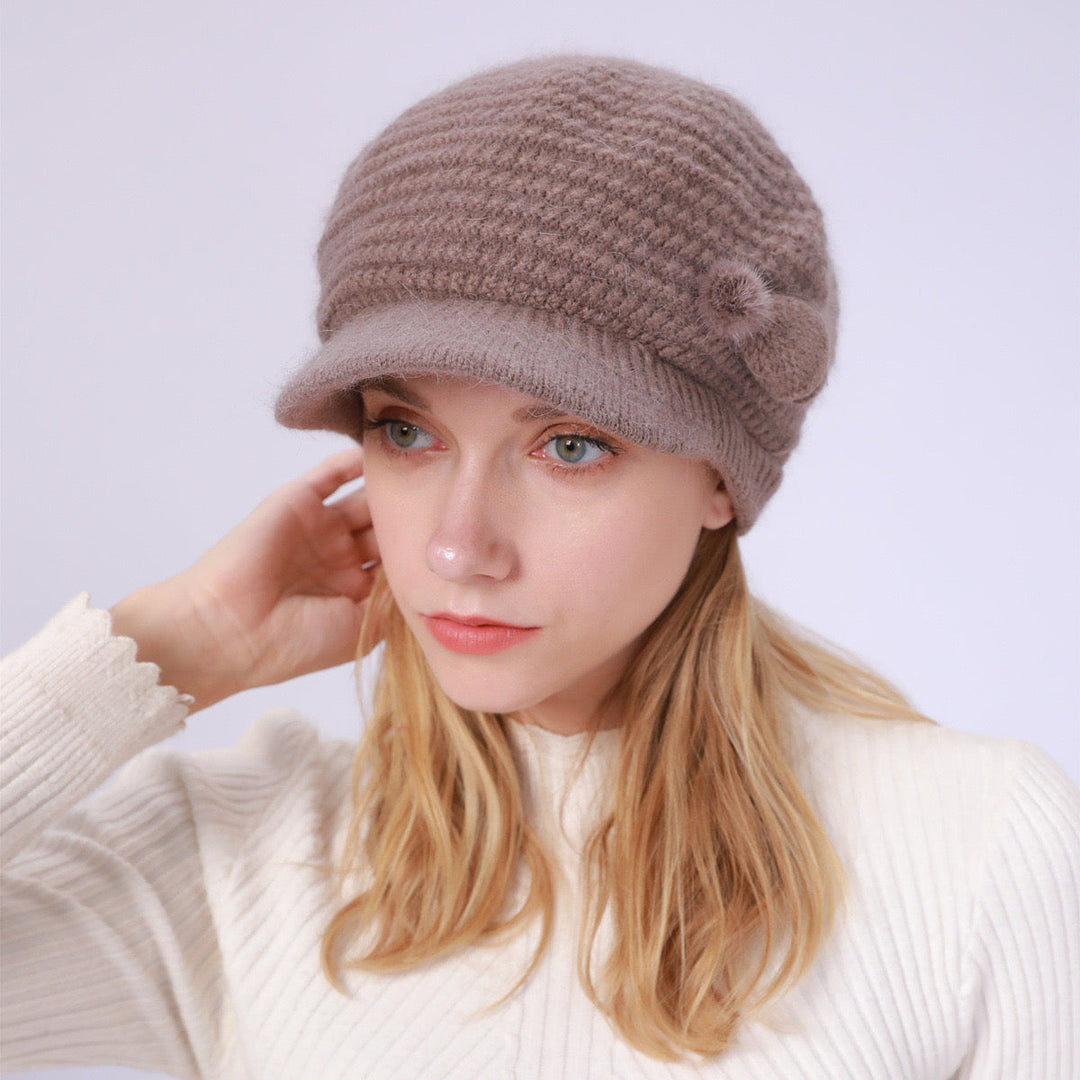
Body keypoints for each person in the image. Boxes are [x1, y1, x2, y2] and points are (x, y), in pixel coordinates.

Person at [2, 54, 1077, 1080]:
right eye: (405, 434)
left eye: (570, 444)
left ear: (722, 478)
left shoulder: (975, 853)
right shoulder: (250, 862)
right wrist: (165, 649)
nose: (457, 547)